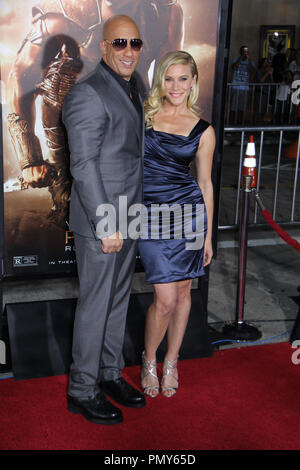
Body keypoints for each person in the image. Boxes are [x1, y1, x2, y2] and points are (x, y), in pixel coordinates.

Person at [6, 0, 183, 228]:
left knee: (131, 215)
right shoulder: (64, 13)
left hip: (130, 120)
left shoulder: (165, 13)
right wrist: (29, 157)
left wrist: (164, 146)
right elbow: (20, 75)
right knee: (72, 211)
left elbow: (168, 84)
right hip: (70, 126)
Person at [62, 15, 145, 425]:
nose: (128, 50)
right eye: (119, 43)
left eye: (135, 43)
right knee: (96, 305)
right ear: (104, 48)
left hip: (130, 214)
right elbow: (84, 164)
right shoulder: (87, 94)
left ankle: (109, 374)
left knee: (117, 301)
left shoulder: (133, 88)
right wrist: (105, 223)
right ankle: (81, 389)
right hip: (105, 220)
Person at [138, 51, 215, 398]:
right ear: (160, 81)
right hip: (151, 216)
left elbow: (205, 184)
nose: (176, 86)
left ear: (194, 81)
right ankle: (148, 358)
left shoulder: (203, 130)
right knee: (165, 299)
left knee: (184, 293)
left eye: (183, 78)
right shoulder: (144, 116)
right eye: (169, 78)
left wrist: (208, 235)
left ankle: (171, 361)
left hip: (189, 216)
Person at [229, 45, 255, 124]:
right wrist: (241, 58)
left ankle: (239, 124)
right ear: (240, 52)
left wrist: (249, 59)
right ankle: (231, 123)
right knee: (233, 107)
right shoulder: (236, 60)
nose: (245, 53)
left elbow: (252, 71)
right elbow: (234, 67)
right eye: (244, 51)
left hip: (244, 88)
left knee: (242, 108)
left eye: (246, 51)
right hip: (236, 87)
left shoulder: (250, 61)